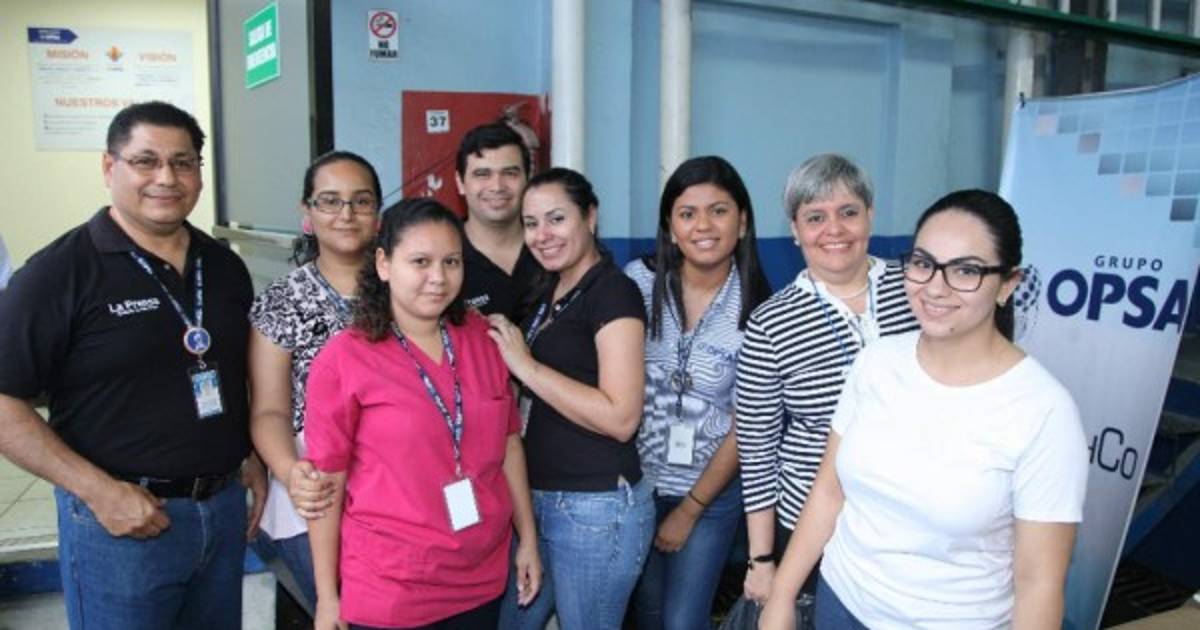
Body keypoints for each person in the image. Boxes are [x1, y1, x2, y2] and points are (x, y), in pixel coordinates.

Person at [760, 189, 1088, 629]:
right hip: (840, 603)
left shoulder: (1043, 412)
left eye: (966, 270)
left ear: (1009, 284)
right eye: (923, 263)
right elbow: (828, 492)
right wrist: (782, 594)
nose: (934, 286)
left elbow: (1039, 583)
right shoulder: (876, 362)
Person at [0, 101, 265, 629]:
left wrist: (250, 452)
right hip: (119, 524)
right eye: (145, 161)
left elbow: (238, 369)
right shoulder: (58, 274)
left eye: (183, 162)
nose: (166, 178)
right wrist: (99, 492)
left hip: (221, 511)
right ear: (109, 167)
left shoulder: (224, 266)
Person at [305, 198, 541, 630]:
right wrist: (326, 596)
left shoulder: (483, 339)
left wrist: (527, 538)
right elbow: (327, 485)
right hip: (392, 585)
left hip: (481, 577)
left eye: (451, 261)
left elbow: (508, 443)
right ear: (383, 264)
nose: (438, 278)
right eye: (420, 262)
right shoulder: (344, 359)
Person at [735, 154, 918, 602]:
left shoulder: (918, 289)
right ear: (795, 230)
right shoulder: (771, 323)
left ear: (870, 215)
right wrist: (761, 559)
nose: (834, 229)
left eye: (848, 212)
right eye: (815, 217)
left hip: (912, 515)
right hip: (812, 525)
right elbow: (757, 449)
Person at [489, 168, 653, 630]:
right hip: (540, 498)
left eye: (556, 219)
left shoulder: (614, 292)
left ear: (590, 217)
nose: (542, 235)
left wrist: (526, 367)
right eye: (531, 223)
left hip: (594, 507)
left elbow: (622, 416)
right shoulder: (552, 288)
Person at [625, 156, 771, 630]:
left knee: (682, 622)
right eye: (687, 213)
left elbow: (747, 424)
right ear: (670, 227)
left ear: (742, 222)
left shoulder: (761, 310)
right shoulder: (638, 283)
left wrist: (690, 509)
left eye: (718, 211)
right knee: (647, 614)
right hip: (639, 486)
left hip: (709, 494)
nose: (703, 226)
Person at [247, 150, 383, 614]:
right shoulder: (282, 301)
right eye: (329, 201)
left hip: (396, 486)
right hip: (316, 488)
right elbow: (269, 410)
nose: (346, 214)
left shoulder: (408, 287)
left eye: (361, 201)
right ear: (307, 212)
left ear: (378, 214)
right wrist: (291, 472)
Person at [456, 122, 543, 320]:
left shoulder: (553, 247)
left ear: (528, 179)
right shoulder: (444, 257)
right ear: (460, 183)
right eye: (482, 174)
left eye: (510, 173)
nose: (497, 186)